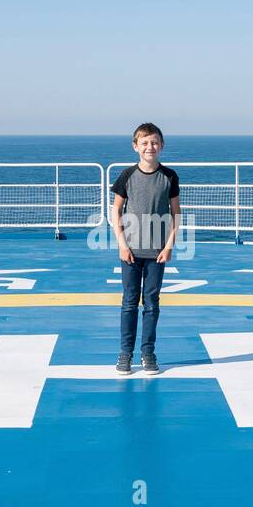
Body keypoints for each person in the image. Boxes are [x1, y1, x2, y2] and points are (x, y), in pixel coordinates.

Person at [110, 123, 180, 376]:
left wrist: (169, 245)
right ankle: (125, 353)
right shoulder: (127, 176)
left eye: (154, 142)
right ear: (135, 146)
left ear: (161, 145)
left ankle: (148, 353)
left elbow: (176, 214)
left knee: (151, 302)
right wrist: (121, 244)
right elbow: (115, 210)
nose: (150, 147)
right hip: (130, 252)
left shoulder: (170, 176)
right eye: (144, 143)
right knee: (129, 302)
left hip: (157, 253)